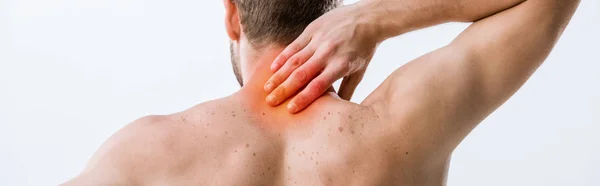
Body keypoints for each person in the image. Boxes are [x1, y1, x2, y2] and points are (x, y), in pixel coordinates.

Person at [62, 0, 580, 185]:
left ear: (231, 14)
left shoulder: (146, 152)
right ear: (333, 17)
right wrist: (379, 16)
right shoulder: (403, 125)